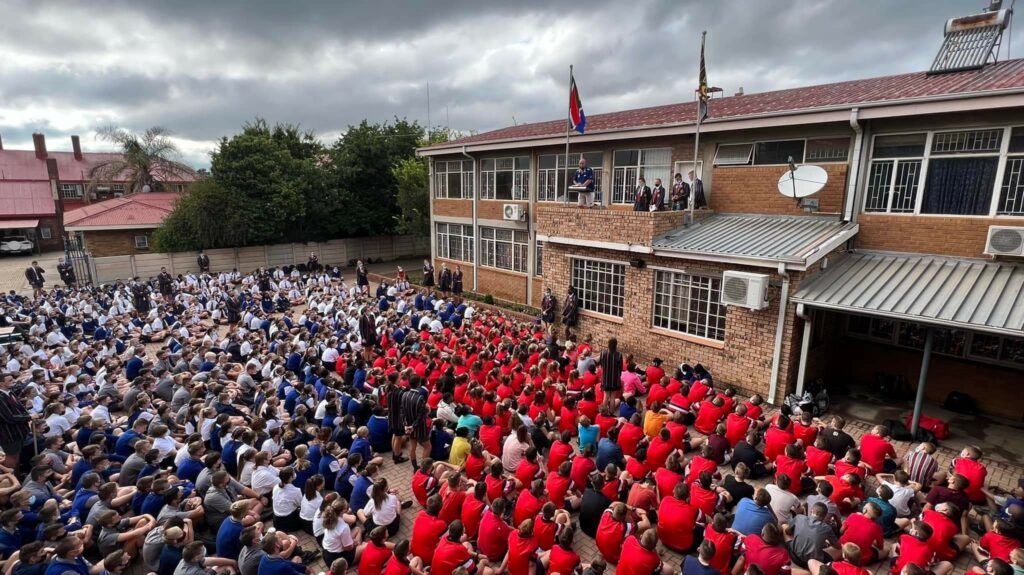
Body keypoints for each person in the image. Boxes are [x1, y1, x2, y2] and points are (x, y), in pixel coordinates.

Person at [598, 338, 623, 412]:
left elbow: (601, 365)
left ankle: (603, 412)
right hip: (614, 379)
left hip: (605, 378)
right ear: (616, 345)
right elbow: (620, 368)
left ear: (608, 344)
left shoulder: (603, 353)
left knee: (606, 396)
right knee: (613, 396)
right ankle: (611, 412)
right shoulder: (619, 355)